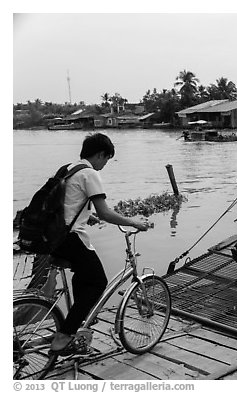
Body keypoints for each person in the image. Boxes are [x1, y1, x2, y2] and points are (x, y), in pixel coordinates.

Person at [49, 133, 150, 355]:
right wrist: (133, 221)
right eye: (106, 159)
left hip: (53, 235)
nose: (105, 164)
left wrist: (87, 215)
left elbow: (66, 202)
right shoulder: (89, 173)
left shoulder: (68, 168)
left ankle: (77, 323)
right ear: (100, 154)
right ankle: (64, 336)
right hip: (71, 237)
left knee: (84, 276)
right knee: (98, 282)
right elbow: (105, 212)